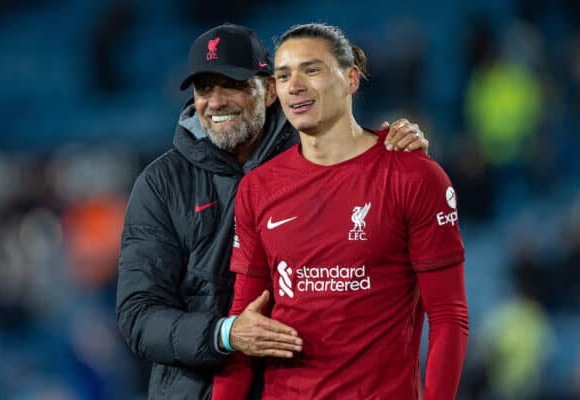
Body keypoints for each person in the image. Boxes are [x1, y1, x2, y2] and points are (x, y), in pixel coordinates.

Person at [116, 23, 429, 400]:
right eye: (204, 88)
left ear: (267, 91)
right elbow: (137, 315)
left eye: (231, 84)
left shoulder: (321, 156)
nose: (215, 102)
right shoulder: (161, 184)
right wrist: (226, 334)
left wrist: (400, 156)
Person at [212, 23, 468, 400]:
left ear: (351, 79)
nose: (295, 85)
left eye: (311, 70)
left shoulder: (414, 176)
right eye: (283, 76)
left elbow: (449, 317)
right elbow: (246, 322)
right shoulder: (258, 188)